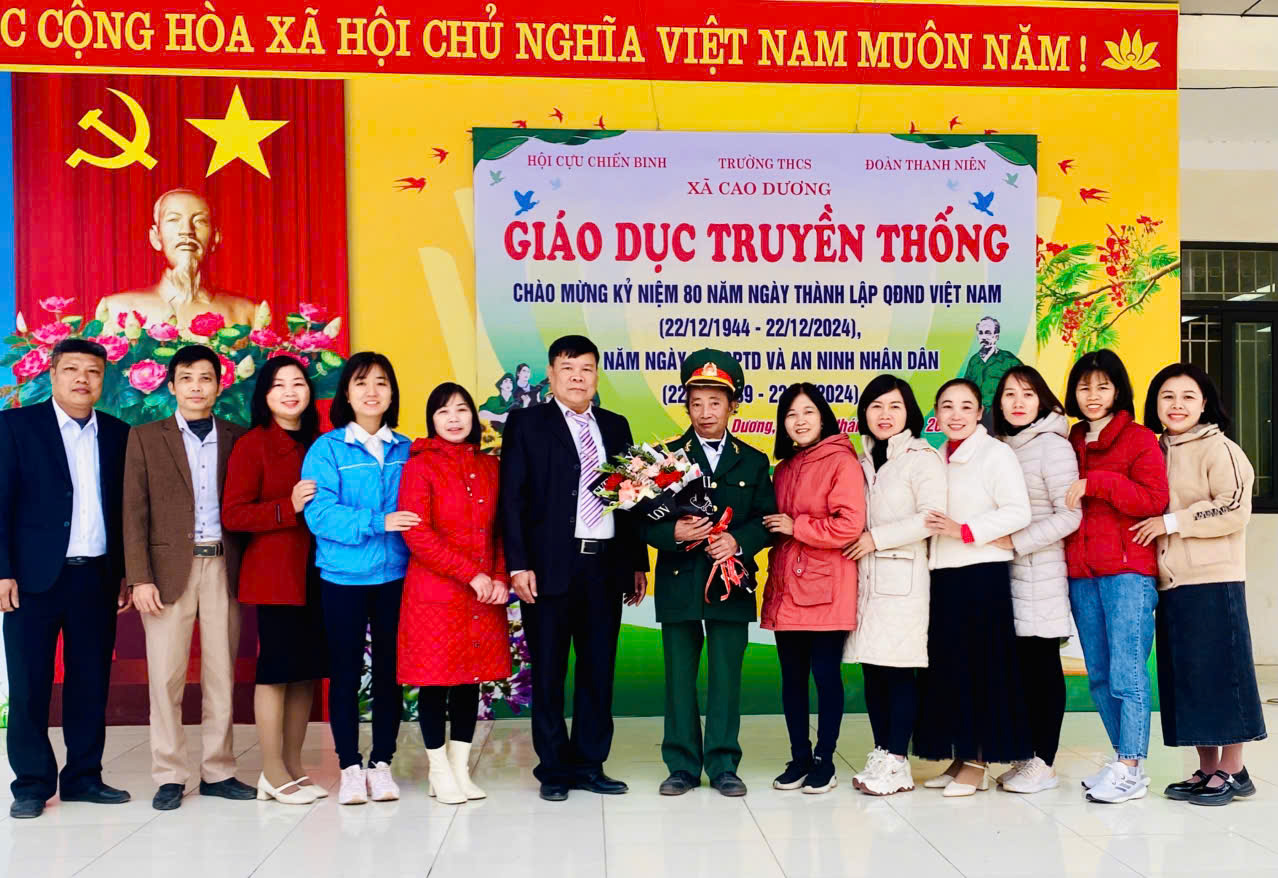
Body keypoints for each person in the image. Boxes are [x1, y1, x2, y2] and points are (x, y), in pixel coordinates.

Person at [498, 334, 649, 802]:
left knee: (598, 670)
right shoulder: (527, 423)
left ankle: (589, 764)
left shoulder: (616, 425)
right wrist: (518, 564)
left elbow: (630, 499)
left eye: (586, 369)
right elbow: (512, 499)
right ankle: (553, 769)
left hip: (605, 565)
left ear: (597, 376)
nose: (578, 378)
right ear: (551, 375)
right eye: (568, 368)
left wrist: (636, 562)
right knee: (548, 671)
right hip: (548, 568)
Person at [0, 339, 131, 819]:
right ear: (52, 374)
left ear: (102, 379)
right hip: (31, 580)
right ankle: (32, 784)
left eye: (92, 371)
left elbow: (125, 510)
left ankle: (83, 777)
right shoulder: (15, 426)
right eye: (72, 369)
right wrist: (2, 571)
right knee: (29, 684)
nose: (82, 378)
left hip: (95, 577)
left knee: (90, 682)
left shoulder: (118, 433)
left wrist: (124, 573)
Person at [123, 344, 252, 811]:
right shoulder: (145, 437)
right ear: (172, 385)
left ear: (219, 385)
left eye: (205, 378)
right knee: (165, 678)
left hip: (223, 566)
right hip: (165, 573)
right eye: (187, 378)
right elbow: (133, 512)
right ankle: (170, 774)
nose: (196, 387)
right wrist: (139, 578)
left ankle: (218, 770)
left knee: (221, 674)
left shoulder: (238, 437)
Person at [1130, 363, 1266, 806]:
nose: (1177, 405)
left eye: (1188, 396)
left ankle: (1234, 768)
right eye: (1167, 396)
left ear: (1204, 403)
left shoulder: (1220, 449)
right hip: (1170, 582)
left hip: (1213, 579)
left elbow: (1234, 508)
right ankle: (1208, 768)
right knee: (1189, 679)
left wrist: (1172, 522)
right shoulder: (1155, 450)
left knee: (1223, 675)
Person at [643, 350, 776, 798]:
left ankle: (723, 764)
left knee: (725, 677)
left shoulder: (753, 461)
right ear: (686, 405)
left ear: (732, 405)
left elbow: (766, 520)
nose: (705, 412)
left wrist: (738, 541)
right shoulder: (664, 459)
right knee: (679, 679)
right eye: (696, 402)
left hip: (731, 583)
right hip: (679, 582)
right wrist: (673, 532)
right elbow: (641, 521)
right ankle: (681, 765)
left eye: (715, 402)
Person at [302, 352, 416, 806]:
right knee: (346, 673)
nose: (372, 391)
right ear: (346, 394)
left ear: (392, 393)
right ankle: (349, 766)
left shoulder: (409, 449)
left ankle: (382, 763)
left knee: (391, 673)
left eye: (381, 383)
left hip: (397, 576)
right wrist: (378, 521)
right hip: (343, 578)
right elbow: (319, 514)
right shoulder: (326, 449)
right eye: (361, 383)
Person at [915, 378, 1032, 797]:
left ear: (981, 413)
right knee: (952, 670)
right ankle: (961, 756)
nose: (956, 415)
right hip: (943, 575)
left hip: (981, 575)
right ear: (936, 414)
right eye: (947, 406)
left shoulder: (995, 454)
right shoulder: (935, 457)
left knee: (981, 671)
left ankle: (978, 762)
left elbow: (1018, 511)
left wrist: (964, 530)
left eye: (966, 406)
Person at [1062, 349, 1169, 804]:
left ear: (1118, 390)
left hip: (1127, 573)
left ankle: (1131, 766)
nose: (1093, 395)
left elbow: (1153, 500)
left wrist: (1098, 483)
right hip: (1082, 573)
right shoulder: (1071, 439)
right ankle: (1121, 760)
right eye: (1084, 387)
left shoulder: (1139, 438)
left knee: (1128, 673)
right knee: (1100, 676)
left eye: (1102, 386)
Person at [397, 383, 510, 806]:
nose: (454, 418)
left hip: (483, 593)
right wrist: (470, 574)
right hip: (436, 592)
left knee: (469, 680)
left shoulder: (491, 466)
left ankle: (459, 769)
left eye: (461, 409)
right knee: (434, 682)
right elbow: (417, 533)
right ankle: (438, 770)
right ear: (432, 420)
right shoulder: (419, 466)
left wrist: (498, 576)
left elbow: (502, 530)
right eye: (443, 411)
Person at [222, 356, 327, 805]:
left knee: (305, 674)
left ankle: (294, 766)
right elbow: (234, 514)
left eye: (298, 383)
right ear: (264, 395)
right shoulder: (253, 444)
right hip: (276, 575)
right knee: (277, 671)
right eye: (278, 385)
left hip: (319, 572)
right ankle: (271, 770)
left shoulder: (321, 443)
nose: (290, 392)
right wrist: (288, 506)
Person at [843, 374, 945, 798]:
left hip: (904, 579)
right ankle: (883, 752)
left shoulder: (921, 457)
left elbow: (932, 517)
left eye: (894, 406)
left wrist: (876, 539)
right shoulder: (865, 458)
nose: (884, 415)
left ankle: (898, 761)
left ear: (910, 413)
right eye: (876, 406)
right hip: (867, 580)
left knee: (899, 671)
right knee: (874, 670)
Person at [762, 383, 863, 794]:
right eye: (791, 414)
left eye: (808, 412)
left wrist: (796, 526)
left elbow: (849, 525)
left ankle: (825, 759)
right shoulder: (785, 467)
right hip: (787, 586)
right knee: (791, 679)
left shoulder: (842, 461)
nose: (799, 421)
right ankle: (799, 757)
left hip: (827, 588)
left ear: (823, 417)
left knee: (824, 676)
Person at [991, 366, 1081, 795]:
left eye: (1028, 394)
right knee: (1021, 670)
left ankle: (1045, 761)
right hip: (1007, 572)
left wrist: (1017, 542)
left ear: (1042, 399)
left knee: (1043, 667)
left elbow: (1070, 515)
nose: (1018, 402)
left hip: (1041, 572)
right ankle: (1027, 756)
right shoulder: (1001, 446)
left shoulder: (1052, 446)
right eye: (1010, 394)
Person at [97, 188, 256, 332]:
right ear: (155, 237)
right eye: (173, 220)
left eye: (200, 221)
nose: (187, 231)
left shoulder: (247, 314)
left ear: (215, 238)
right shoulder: (116, 310)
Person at [962, 316, 1022, 413]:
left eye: (988, 333)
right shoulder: (974, 361)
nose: (984, 337)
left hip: (1000, 414)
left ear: (996, 336)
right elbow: (965, 388)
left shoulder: (1008, 359)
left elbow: (1025, 383)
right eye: (981, 333)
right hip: (977, 414)